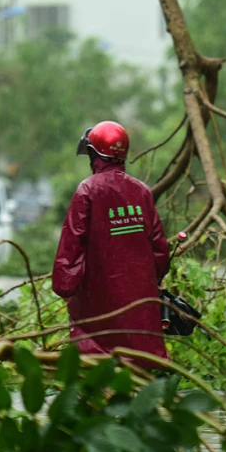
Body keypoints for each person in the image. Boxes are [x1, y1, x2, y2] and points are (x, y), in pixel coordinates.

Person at [52, 121, 170, 368]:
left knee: (99, 371)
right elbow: (160, 251)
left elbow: (71, 248)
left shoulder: (87, 191)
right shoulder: (142, 192)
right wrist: (146, 282)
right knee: (142, 368)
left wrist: (65, 286)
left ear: (94, 154)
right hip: (140, 305)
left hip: (97, 305)